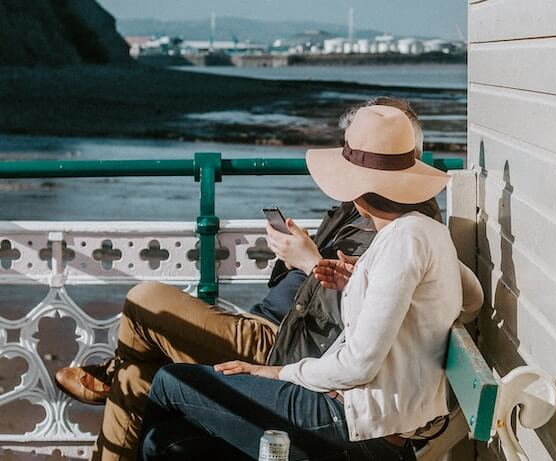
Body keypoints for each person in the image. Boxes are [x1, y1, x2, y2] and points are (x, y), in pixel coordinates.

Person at [53, 97, 444, 461]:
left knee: (146, 307)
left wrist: (310, 266)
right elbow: (459, 297)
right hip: (285, 335)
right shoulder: (386, 221)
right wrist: (319, 265)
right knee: (139, 381)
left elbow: (360, 343)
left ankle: (111, 373)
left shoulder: (401, 232)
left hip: (291, 355)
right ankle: (116, 383)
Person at [138, 105, 483, 460]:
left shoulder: (402, 240)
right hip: (365, 418)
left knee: (170, 382)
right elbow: (473, 299)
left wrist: (275, 373)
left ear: (357, 190)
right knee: (163, 443)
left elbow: (358, 365)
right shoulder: (426, 232)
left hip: (355, 423)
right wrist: (363, 281)